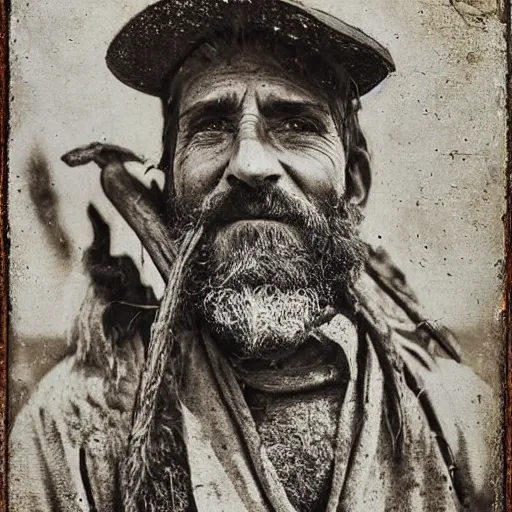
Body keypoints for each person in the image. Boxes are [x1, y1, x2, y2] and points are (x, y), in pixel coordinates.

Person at [9, 0, 496, 511]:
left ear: (354, 183)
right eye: (212, 126)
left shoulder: (459, 422)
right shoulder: (70, 433)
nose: (249, 162)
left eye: (294, 124)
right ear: (170, 184)